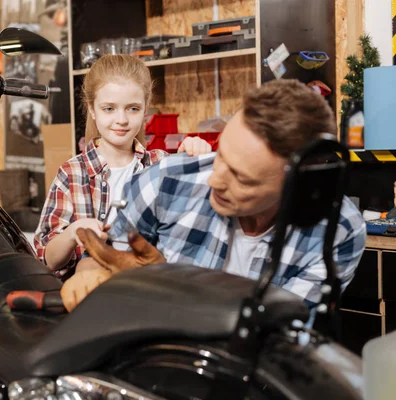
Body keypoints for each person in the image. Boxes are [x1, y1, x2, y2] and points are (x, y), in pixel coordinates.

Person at [61, 79, 367, 311]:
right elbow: (100, 259)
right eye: (221, 156)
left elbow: (277, 335)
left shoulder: (338, 231)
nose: (215, 180)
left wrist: (166, 286)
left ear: (300, 187)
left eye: (241, 178)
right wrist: (86, 275)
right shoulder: (166, 181)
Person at [34, 54, 212, 279]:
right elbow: (47, 259)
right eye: (109, 108)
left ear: (145, 109)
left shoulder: (160, 164)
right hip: (91, 296)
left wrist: (194, 154)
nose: (122, 119)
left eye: (133, 109)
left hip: (150, 290)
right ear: (92, 109)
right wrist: (72, 233)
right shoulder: (71, 174)